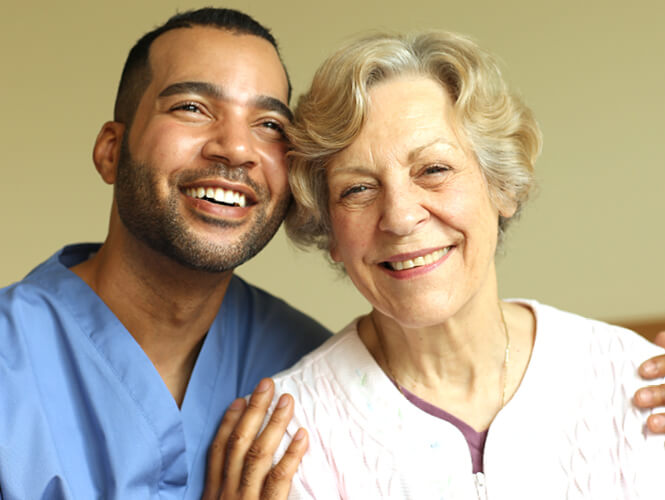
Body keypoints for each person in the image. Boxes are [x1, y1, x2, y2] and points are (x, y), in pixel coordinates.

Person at [256, 31, 665, 497]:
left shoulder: (637, 382)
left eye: (433, 170)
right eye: (358, 189)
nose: (401, 217)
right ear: (328, 229)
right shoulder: (289, 439)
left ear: (503, 186)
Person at [0, 8, 330, 500]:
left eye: (268, 124)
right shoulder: (12, 360)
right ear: (111, 150)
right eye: (192, 108)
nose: (237, 149)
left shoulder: (312, 369)